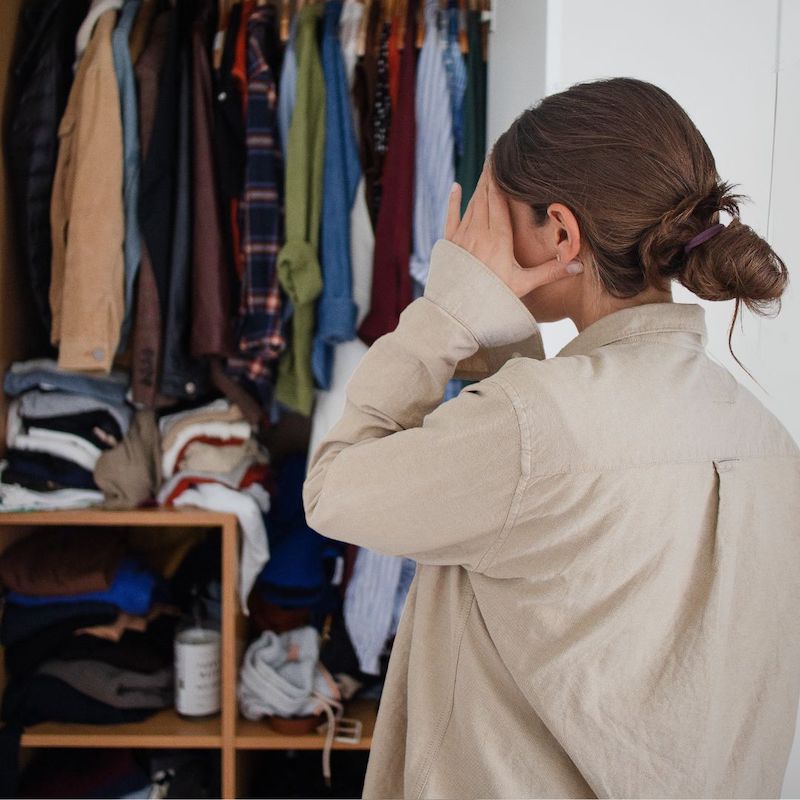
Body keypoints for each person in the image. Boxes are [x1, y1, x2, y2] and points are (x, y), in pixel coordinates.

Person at [302, 76, 800, 799]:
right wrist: (504, 342)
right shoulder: (767, 439)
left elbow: (333, 490)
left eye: (488, 216)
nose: (475, 238)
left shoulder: (533, 427)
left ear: (561, 233)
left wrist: (446, 313)